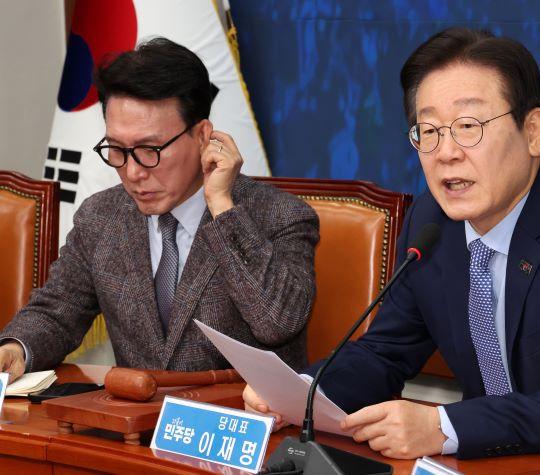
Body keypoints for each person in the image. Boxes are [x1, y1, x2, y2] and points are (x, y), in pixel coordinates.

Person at [243, 28, 540, 460]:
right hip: (503, 460)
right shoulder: (432, 224)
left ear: (533, 131)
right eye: (430, 131)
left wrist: (442, 427)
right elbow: (385, 352)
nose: (446, 152)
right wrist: (301, 393)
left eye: (468, 125)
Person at [0, 38, 319, 383]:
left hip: (239, 414)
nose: (133, 172)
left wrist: (222, 208)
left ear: (202, 136)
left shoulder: (278, 216)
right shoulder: (101, 216)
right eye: (117, 149)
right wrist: (16, 348)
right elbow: (57, 310)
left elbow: (277, 323)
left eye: (150, 149)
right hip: (134, 413)